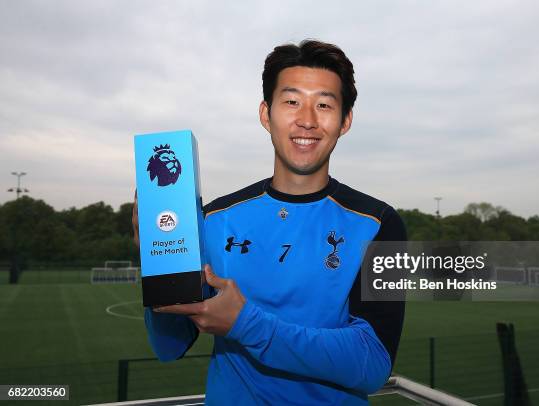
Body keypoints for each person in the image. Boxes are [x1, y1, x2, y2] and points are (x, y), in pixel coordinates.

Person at [132, 39, 406, 405]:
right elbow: (169, 345)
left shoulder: (382, 224)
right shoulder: (213, 220)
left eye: (324, 104)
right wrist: (157, 261)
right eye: (291, 101)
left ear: (345, 121)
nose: (307, 119)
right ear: (266, 114)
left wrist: (246, 324)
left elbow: (373, 365)